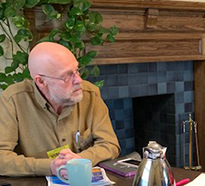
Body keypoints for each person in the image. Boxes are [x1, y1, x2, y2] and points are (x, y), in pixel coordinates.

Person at [0, 42, 120, 177]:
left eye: (76, 70)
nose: (78, 80)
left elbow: (110, 144)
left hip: (81, 181)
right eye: (67, 75)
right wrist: (49, 166)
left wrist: (80, 160)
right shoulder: (13, 100)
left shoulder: (90, 94)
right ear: (41, 81)